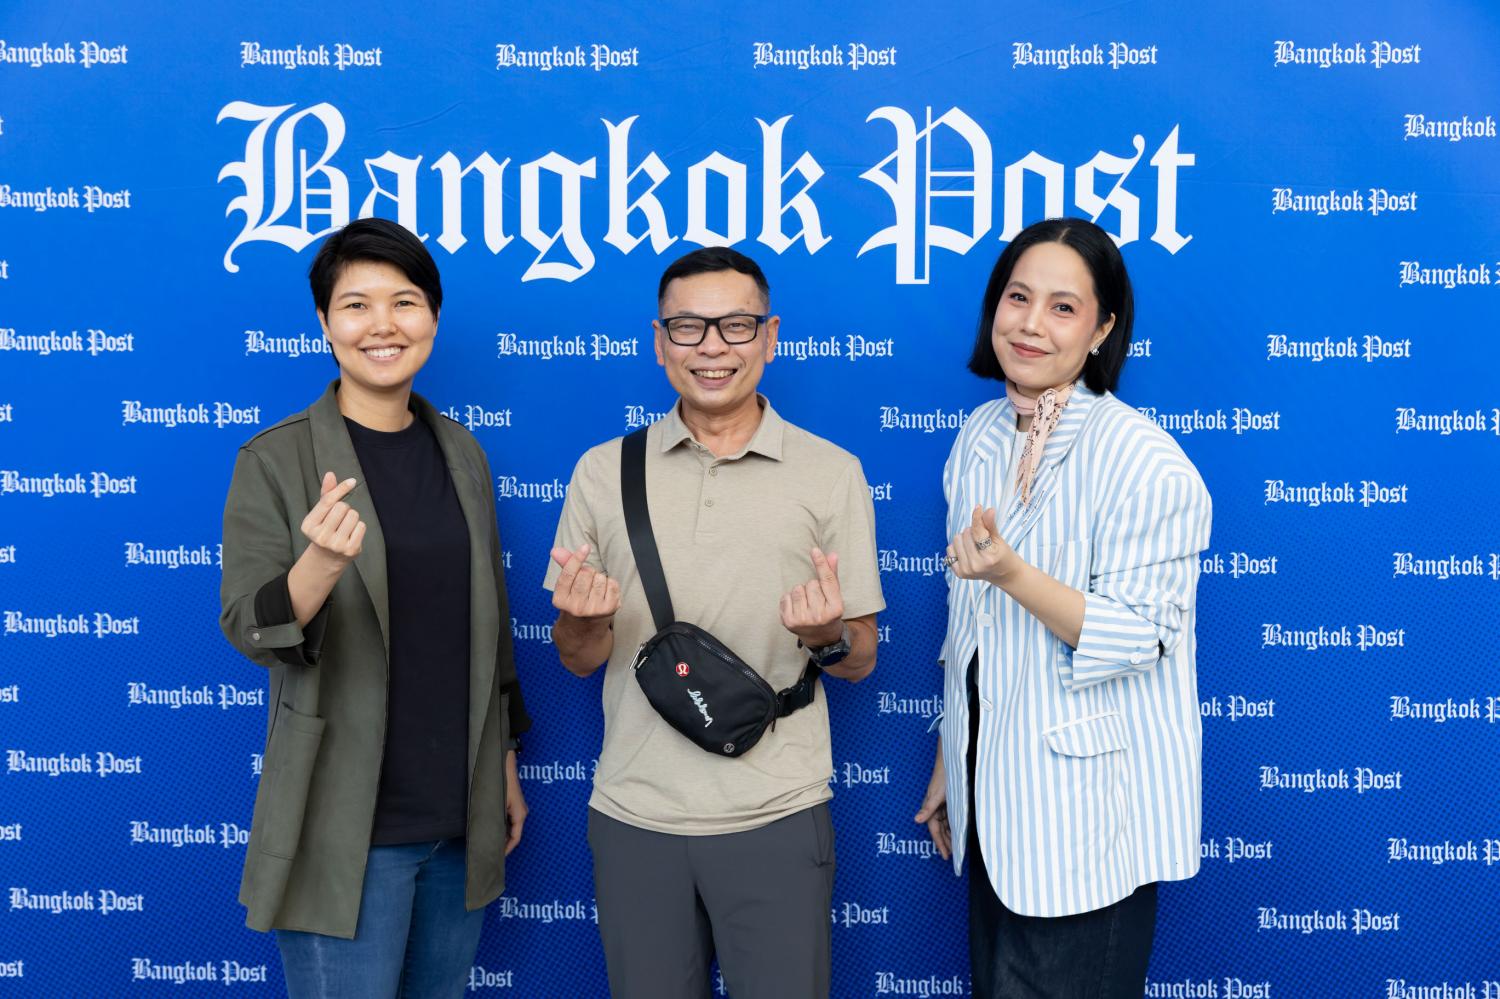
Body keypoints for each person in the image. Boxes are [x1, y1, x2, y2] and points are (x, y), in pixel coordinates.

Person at [543, 246, 884, 999]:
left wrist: (826, 636)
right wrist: (582, 621)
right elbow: (576, 657)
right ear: (659, 341)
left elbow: (860, 658)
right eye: (688, 327)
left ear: (770, 336)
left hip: (778, 811)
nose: (712, 347)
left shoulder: (831, 473)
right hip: (635, 812)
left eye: (736, 325)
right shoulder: (603, 471)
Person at [219, 218, 530, 999]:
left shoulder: (462, 451)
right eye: (356, 305)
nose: (382, 324)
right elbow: (249, 625)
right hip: (343, 822)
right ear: (325, 324)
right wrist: (319, 564)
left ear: (433, 317)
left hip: (458, 814)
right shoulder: (275, 457)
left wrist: (503, 761)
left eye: (405, 301)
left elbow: (489, 627)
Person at [913, 218, 1212, 998]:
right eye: (1018, 298)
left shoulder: (1143, 459)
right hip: (993, 808)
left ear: (1103, 328)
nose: (1031, 324)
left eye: (1063, 307)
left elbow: (1142, 634)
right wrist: (954, 757)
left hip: (1085, 825)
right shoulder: (979, 436)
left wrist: (1014, 573)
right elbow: (971, 628)